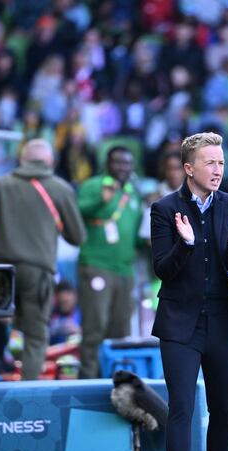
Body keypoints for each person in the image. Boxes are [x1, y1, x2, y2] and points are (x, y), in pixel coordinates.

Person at [150, 132, 228, 451]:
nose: (218, 170)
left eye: (222, 163)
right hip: (180, 321)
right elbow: (162, 268)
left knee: (223, 408)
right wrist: (185, 243)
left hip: (223, 321)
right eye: (210, 163)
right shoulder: (164, 209)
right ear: (189, 167)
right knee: (181, 403)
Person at [0, 139, 86, 381]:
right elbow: (77, 236)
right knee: (36, 335)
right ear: (50, 161)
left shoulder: (1, 183)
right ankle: (27, 387)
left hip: (0, 271)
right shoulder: (60, 188)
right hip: (37, 272)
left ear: (22, 160)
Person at [76, 145, 144, 379]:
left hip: (125, 270)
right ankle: (87, 382)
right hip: (97, 264)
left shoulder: (133, 194)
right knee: (95, 327)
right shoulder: (94, 186)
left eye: (127, 163)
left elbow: (136, 236)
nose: (123, 168)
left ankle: (115, 381)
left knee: (120, 331)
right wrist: (99, 201)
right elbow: (76, 212)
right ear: (107, 163)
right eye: (118, 162)